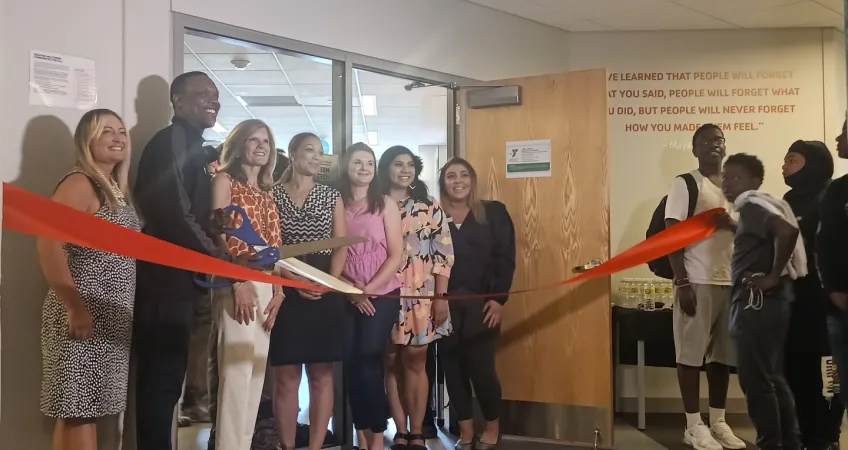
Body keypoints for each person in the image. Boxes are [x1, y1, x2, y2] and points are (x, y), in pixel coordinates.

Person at [132, 71, 252, 450]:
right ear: (177, 100)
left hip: (185, 283)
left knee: (170, 381)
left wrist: (219, 223)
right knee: (161, 381)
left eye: (215, 95)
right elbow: (172, 211)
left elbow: (192, 212)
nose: (212, 100)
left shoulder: (198, 149)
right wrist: (219, 256)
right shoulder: (171, 140)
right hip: (164, 283)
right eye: (202, 94)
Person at [38, 109, 140, 450]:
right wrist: (74, 306)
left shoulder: (113, 186)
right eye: (106, 131)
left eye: (121, 131)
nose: (117, 137)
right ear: (87, 140)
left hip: (107, 317)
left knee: (83, 411)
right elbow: (49, 244)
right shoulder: (80, 182)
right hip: (83, 314)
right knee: (78, 410)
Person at [664, 124, 745, 450]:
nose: (715, 145)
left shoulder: (736, 189)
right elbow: (671, 235)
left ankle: (719, 421)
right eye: (707, 141)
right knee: (690, 356)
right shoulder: (686, 184)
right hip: (696, 281)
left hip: (730, 282)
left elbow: (746, 233)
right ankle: (693, 425)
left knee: (721, 358)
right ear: (695, 149)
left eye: (719, 140)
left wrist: (735, 224)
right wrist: (682, 281)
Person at [209, 119, 286, 450]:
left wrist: (280, 292)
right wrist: (236, 280)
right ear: (238, 145)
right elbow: (218, 235)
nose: (260, 146)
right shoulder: (224, 181)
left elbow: (276, 249)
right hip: (235, 281)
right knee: (236, 376)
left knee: (256, 377)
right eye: (253, 140)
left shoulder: (266, 194)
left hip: (267, 284)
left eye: (266, 141)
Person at [270, 132, 347, 450]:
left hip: (324, 290)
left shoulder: (332, 196)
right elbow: (268, 249)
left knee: (321, 374)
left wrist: (330, 282)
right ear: (292, 154)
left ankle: (315, 446)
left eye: (320, 152)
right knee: (286, 377)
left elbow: (341, 246)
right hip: (286, 288)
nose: (316, 157)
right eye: (309, 150)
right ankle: (288, 446)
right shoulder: (271, 195)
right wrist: (292, 281)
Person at [721, 153, 803, 450]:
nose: (727, 183)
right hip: (773, 303)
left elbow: (787, 231)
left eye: (735, 177)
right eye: (725, 177)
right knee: (773, 377)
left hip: (755, 303)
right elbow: (767, 236)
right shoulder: (756, 208)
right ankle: (789, 443)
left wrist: (771, 275)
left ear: (754, 181)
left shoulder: (753, 206)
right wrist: (733, 227)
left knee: (755, 381)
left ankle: (770, 443)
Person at [379, 145, 454, 450]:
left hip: (421, 292)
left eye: (410, 165)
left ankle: (417, 431)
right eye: (398, 164)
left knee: (416, 360)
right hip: (384, 290)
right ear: (386, 168)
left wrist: (441, 296)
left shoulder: (428, 205)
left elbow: (444, 253)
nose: (404, 170)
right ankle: (399, 429)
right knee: (390, 359)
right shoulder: (375, 204)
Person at [438, 158, 516, 450]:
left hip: (482, 305)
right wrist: (436, 300)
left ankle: (493, 426)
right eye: (450, 176)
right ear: (443, 182)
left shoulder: (494, 212)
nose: (457, 181)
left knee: (481, 369)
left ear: (472, 179)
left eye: (463, 175)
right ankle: (466, 432)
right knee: (452, 369)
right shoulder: (434, 215)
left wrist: (498, 299)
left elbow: (506, 258)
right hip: (443, 305)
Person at [338, 143, 404, 450]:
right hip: (346, 294)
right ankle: (362, 435)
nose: (364, 167)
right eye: (358, 162)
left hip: (382, 293)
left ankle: (377, 436)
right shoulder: (336, 203)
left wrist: (369, 290)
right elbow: (334, 255)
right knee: (350, 366)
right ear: (346, 166)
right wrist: (352, 293)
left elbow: (396, 255)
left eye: (369, 163)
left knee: (367, 361)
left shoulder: (385, 204)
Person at [781, 140, 844, 450]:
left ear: (813, 164)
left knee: (830, 376)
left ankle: (827, 436)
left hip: (826, 305)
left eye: (792, 160)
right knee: (797, 371)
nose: (784, 166)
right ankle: (804, 436)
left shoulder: (831, 196)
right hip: (795, 305)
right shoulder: (789, 201)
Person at [819, 120, 848, 445]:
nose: (839, 138)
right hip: (837, 309)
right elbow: (825, 245)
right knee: (841, 384)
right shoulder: (837, 190)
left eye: (845, 131)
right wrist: (835, 290)